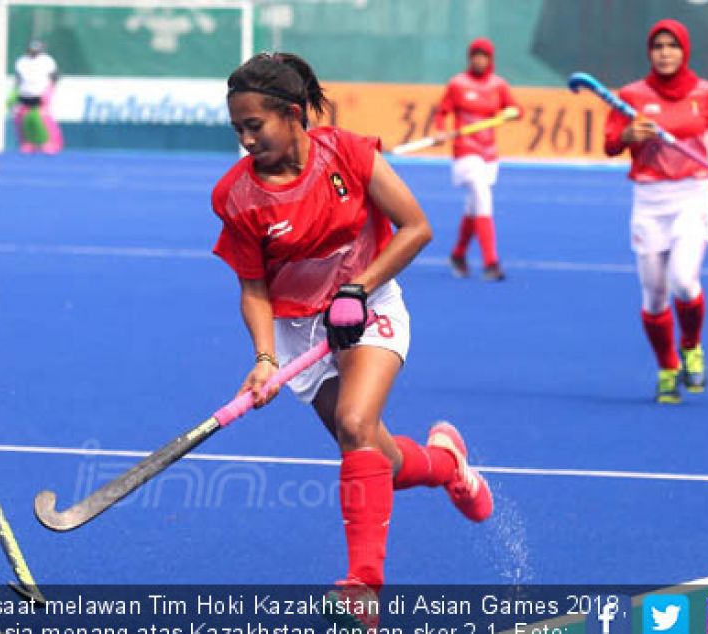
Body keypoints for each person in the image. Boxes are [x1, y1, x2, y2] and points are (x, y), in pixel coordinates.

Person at [211, 52, 494, 631]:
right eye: (237, 128)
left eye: (254, 126)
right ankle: (447, 466)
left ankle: (363, 587)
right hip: (296, 330)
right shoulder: (237, 197)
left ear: (292, 115)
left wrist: (357, 288)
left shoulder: (348, 152)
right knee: (376, 460)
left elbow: (417, 227)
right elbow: (254, 290)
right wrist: (265, 357)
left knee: (356, 424)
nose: (245, 139)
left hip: (368, 304)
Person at [603, 19, 708, 404]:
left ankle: (691, 345)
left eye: (672, 45)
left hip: (693, 195)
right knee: (654, 297)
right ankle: (668, 367)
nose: (665, 52)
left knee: (684, 282)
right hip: (649, 200)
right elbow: (609, 144)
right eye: (658, 46)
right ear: (650, 53)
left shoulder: (705, 93)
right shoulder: (632, 95)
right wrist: (626, 137)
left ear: (684, 50)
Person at [433, 37, 521, 281]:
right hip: (465, 151)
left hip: (489, 154)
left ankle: (458, 254)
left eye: (484, 56)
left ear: (490, 59)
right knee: (482, 196)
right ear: (469, 58)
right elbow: (442, 113)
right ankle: (491, 262)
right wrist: (441, 131)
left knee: (474, 206)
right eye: (475, 55)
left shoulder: (498, 85)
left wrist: (512, 112)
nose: (479, 60)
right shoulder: (458, 84)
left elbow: (516, 109)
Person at [13, 40, 63, 154]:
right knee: (22, 119)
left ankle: (52, 143)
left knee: (44, 119)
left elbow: (55, 77)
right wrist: (16, 92)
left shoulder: (47, 61)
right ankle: (27, 143)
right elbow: (18, 79)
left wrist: (49, 91)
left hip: (41, 94)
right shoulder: (22, 61)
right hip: (25, 94)